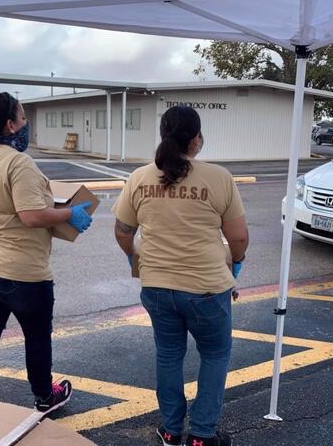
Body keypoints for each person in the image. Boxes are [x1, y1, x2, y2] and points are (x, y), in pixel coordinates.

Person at [112, 105, 249, 446]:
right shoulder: (219, 178)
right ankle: (202, 435)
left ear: (164, 136)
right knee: (215, 355)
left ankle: (171, 430)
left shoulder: (139, 178)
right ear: (197, 139)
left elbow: (122, 231)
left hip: (156, 287)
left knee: (169, 355)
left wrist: (137, 258)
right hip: (206, 288)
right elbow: (239, 237)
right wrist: (236, 264)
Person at [0, 91, 93, 417]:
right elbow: (32, 215)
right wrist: (69, 214)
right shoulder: (18, 163)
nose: (26, 122)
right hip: (19, 272)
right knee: (36, 337)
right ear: (10, 124)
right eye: (22, 116)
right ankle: (46, 396)